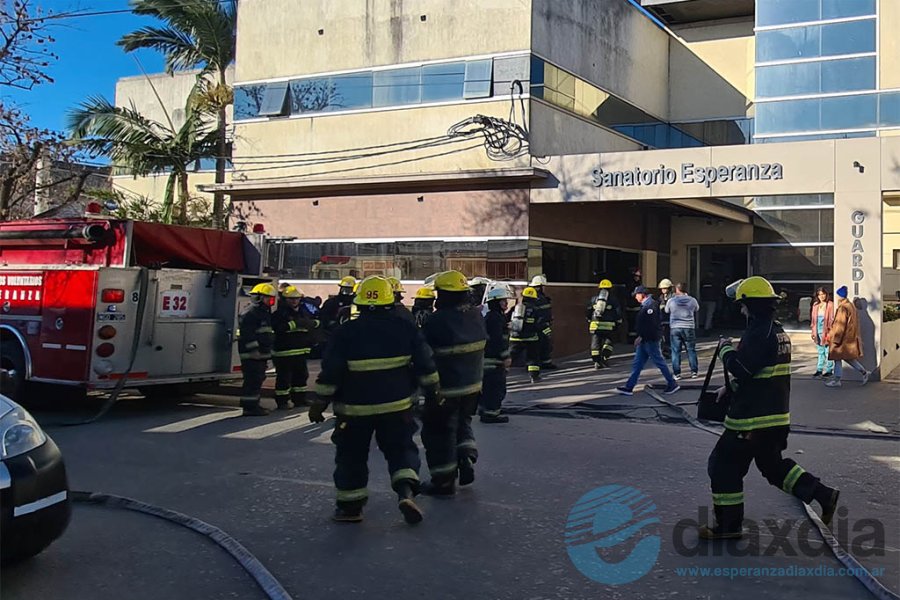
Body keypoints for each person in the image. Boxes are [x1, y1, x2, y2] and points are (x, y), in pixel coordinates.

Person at [700, 276, 840, 539]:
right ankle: (823, 494)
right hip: (774, 419)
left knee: (722, 467)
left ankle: (728, 526)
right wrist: (728, 388)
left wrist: (724, 350)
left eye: (742, 305)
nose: (740, 310)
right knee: (773, 468)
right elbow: (761, 375)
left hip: (750, 421)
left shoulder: (757, 333)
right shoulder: (777, 331)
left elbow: (740, 368)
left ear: (750, 305)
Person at [310, 276, 439, 525]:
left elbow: (331, 371)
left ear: (359, 303)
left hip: (354, 410)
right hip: (397, 406)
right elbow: (425, 363)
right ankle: (405, 493)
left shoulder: (345, 332)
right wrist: (433, 391)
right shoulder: (405, 328)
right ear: (389, 302)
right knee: (401, 450)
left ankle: (350, 507)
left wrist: (320, 402)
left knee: (351, 456)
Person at [420, 270, 487, 496]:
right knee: (463, 422)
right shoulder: (476, 315)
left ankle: (443, 481)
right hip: (473, 386)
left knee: (438, 433)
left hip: (446, 389)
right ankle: (466, 456)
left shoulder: (436, 321)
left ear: (445, 295)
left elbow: (423, 354)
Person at [616, 286, 679, 396]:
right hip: (645, 339)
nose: (635, 297)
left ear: (642, 294)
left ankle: (672, 383)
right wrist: (640, 336)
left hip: (650, 339)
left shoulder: (650, 306)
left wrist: (642, 336)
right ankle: (629, 386)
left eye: (637, 295)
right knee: (637, 364)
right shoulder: (646, 305)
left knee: (659, 362)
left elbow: (651, 325)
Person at [271, 285, 319, 409]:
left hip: (301, 351)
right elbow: (277, 328)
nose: (294, 301)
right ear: (285, 299)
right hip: (284, 352)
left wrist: (312, 324)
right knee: (284, 378)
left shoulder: (304, 311)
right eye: (291, 299)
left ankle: (300, 400)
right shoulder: (280, 313)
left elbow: (316, 322)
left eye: (296, 298)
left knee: (301, 376)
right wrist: (294, 324)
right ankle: (282, 402)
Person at [237, 283, 278, 417]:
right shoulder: (250, 312)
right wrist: (254, 350)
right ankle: (250, 407)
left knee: (257, 379)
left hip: (260, 354)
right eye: (268, 298)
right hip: (251, 354)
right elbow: (247, 333)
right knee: (252, 380)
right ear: (259, 298)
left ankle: (253, 405)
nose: (271, 301)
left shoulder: (263, 312)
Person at [480, 286, 514, 424]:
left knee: (489, 387)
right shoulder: (495, 319)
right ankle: (491, 414)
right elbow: (498, 341)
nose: (506, 303)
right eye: (503, 301)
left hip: (489, 360)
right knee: (496, 388)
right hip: (494, 361)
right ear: (495, 302)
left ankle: (486, 409)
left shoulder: (493, 317)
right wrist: (506, 357)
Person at [825, 286, 869, 387]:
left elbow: (840, 325)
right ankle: (864, 372)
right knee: (848, 358)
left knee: (837, 358)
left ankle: (837, 379)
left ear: (840, 296)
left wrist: (835, 339)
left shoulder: (843, 308)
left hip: (842, 339)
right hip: (849, 338)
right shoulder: (851, 306)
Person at [665, 282, 700, 380]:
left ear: (676, 290)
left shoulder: (671, 301)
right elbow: (697, 309)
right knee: (691, 350)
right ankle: (694, 372)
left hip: (675, 328)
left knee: (676, 351)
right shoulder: (692, 300)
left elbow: (666, 311)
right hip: (689, 327)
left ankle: (677, 374)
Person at [510, 286, 544, 383]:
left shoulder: (516, 308)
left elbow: (507, 319)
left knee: (510, 357)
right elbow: (539, 323)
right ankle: (534, 377)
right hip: (531, 338)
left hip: (515, 337)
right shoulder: (536, 309)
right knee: (533, 358)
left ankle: (502, 375)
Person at [586, 279, 621, 369]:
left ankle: (596, 361)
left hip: (595, 325)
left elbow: (588, 311)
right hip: (608, 326)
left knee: (595, 343)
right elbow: (618, 312)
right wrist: (618, 322)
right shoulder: (613, 300)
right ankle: (604, 357)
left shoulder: (594, 299)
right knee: (608, 342)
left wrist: (589, 319)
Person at [530, 274, 557, 370]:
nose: (544, 288)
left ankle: (545, 363)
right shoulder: (539, 299)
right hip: (541, 326)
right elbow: (541, 314)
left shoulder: (537, 297)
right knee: (543, 344)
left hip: (541, 325)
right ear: (539, 287)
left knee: (545, 344)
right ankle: (540, 364)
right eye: (543, 286)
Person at [810, 287, 835, 379]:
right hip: (817, 331)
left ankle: (829, 370)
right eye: (819, 294)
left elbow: (832, 319)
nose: (821, 296)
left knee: (828, 352)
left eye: (823, 294)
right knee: (820, 352)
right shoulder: (815, 305)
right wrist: (813, 331)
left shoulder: (830, 305)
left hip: (826, 331)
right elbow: (813, 320)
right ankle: (819, 370)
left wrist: (830, 332)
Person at [658, 278, 675, 359]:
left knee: (670, 337)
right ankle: (665, 351)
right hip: (663, 320)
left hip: (671, 320)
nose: (663, 290)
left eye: (665, 288)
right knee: (664, 337)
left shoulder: (673, 297)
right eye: (662, 289)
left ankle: (670, 351)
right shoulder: (661, 297)